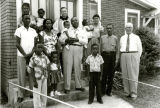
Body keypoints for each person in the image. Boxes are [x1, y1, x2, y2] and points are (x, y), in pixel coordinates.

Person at [59, 17, 88, 94]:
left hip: (78, 48)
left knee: (78, 67)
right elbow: (60, 39)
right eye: (73, 21)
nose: (75, 21)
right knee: (67, 67)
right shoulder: (67, 30)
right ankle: (67, 87)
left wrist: (78, 40)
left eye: (76, 20)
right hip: (68, 49)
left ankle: (78, 86)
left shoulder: (82, 31)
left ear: (79, 22)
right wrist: (67, 40)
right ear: (71, 22)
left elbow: (85, 41)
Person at [15, 14, 37, 102]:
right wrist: (25, 54)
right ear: (22, 20)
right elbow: (17, 44)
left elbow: (35, 44)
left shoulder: (33, 31)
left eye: (29, 19)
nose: (28, 20)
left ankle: (32, 93)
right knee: (22, 76)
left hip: (32, 56)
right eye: (26, 19)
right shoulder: (19, 30)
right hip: (22, 56)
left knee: (32, 74)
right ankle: (21, 95)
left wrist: (31, 53)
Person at [120, 23, 142, 100]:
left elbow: (140, 49)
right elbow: (121, 47)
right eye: (127, 27)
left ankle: (133, 93)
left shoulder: (136, 37)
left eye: (130, 27)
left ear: (132, 28)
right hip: (124, 55)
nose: (128, 29)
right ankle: (127, 92)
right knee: (125, 74)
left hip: (133, 55)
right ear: (125, 28)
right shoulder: (122, 38)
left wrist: (137, 58)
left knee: (133, 75)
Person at [27, 44, 50, 108]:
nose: (40, 49)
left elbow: (48, 65)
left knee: (44, 94)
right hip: (37, 79)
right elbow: (31, 69)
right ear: (35, 49)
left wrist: (48, 78)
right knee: (37, 95)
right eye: (38, 47)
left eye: (41, 47)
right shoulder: (33, 58)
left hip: (44, 78)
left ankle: (43, 106)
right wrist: (34, 81)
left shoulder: (45, 57)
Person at [100, 24, 119, 96]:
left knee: (111, 74)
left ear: (113, 29)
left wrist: (116, 59)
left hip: (112, 56)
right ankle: (102, 91)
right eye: (107, 28)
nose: (109, 30)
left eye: (110, 28)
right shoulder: (102, 38)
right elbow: (100, 49)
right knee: (104, 74)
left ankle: (109, 91)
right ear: (106, 29)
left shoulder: (115, 38)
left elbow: (117, 50)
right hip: (104, 56)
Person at [53, 7, 70, 74]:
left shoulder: (70, 20)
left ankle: (68, 72)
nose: (64, 12)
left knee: (68, 57)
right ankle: (62, 73)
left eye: (65, 11)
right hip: (61, 42)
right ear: (60, 12)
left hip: (69, 42)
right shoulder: (57, 21)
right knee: (61, 57)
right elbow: (54, 31)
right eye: (63, 11)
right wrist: (59, 34)